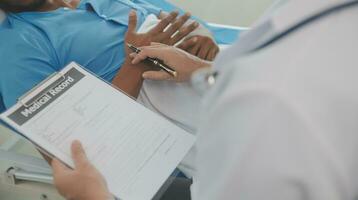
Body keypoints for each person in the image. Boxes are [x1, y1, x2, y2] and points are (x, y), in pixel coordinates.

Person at [51, 0, 358, 199]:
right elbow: (54, 147)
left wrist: (93, 198)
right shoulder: (18, 44)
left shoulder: (268, 104)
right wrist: (202, 67)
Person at [0, 0, 219, 112]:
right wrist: (137, 63)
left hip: (216, 68)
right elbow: (65, 141)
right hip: (192, 104)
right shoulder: (19, 45)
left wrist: (202, 33)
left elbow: (172, 19)